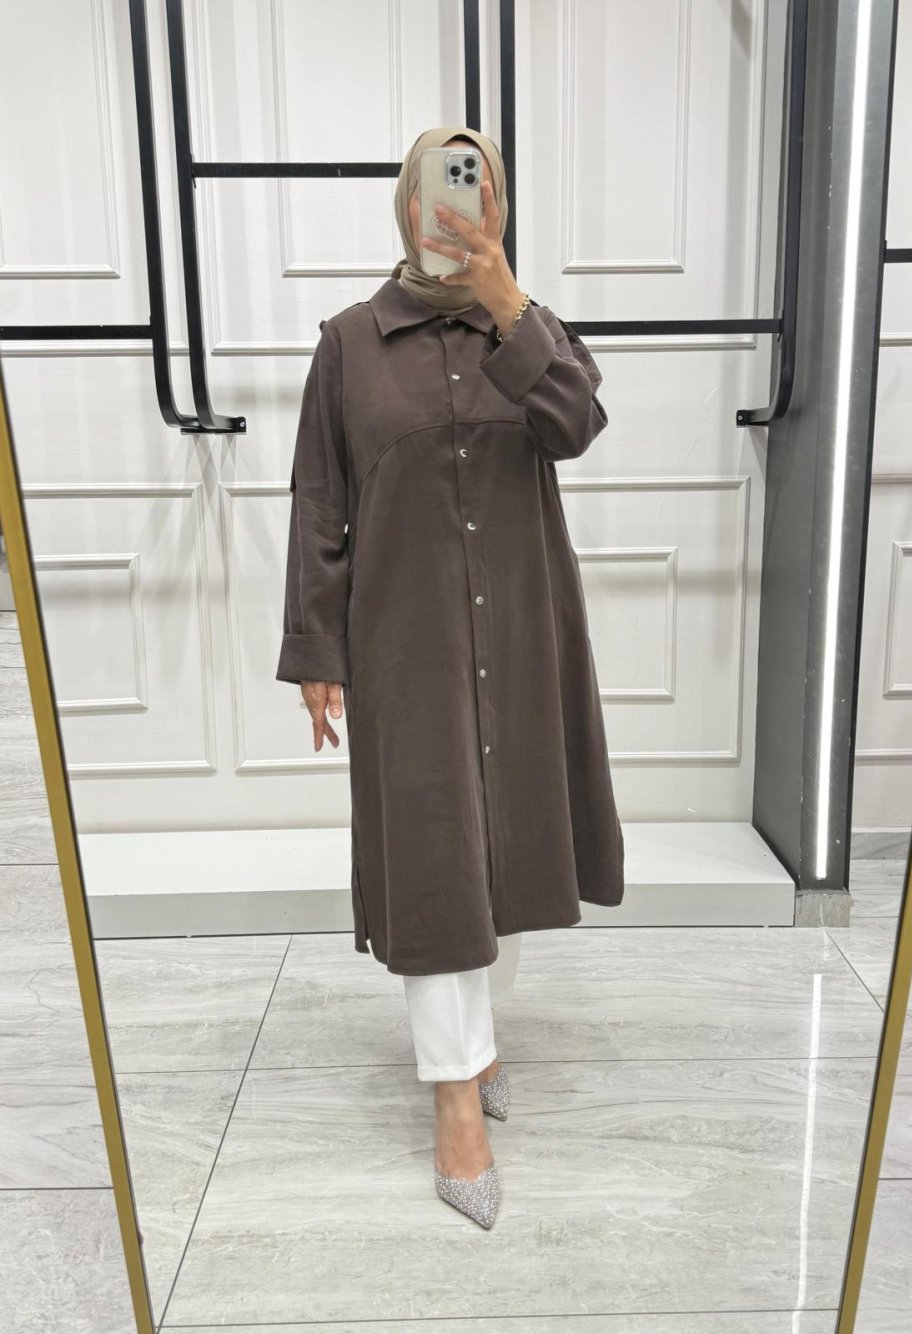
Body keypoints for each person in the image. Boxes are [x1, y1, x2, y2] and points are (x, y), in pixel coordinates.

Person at [276, 125, 625, 1229]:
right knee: (435, 858)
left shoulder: (532, 330)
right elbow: (319, 502)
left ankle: (477, 1047)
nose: (455, 203)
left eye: (476, 187)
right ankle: (454, 1097)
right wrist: (316, 651)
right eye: (439, 183)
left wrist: (508, 300)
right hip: (405, 644)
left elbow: (575, 426)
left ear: (498, 206)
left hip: (521, 635)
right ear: (406, 201)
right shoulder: (349, 344)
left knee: (508, 842)